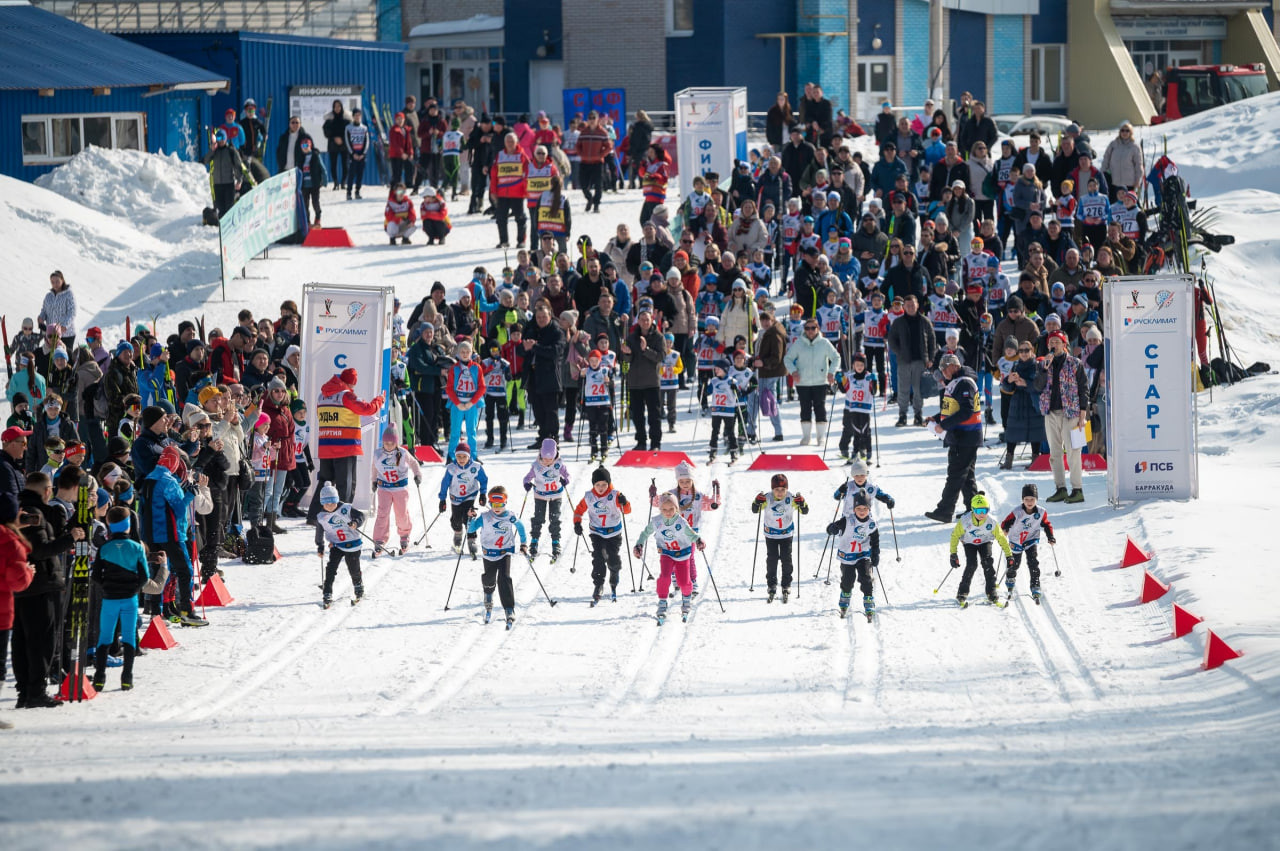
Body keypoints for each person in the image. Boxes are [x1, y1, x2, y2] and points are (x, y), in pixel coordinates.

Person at [306, 367, 384, 525]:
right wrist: (379, 401)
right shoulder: (346, 395)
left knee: (325, 481)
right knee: (346, 485)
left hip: (326, 444)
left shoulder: (322, 396)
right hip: (345, 446)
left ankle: (314, 515)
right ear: (351, 383)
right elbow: (367, 409)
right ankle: (342, 517)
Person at [143, 445, 208, 627]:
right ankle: (187, 610)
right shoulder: (168, 480)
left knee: (160, 570)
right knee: (185, 570)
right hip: (171, 533)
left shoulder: (150, 478)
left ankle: (159, 610)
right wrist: (190, 494)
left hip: (152, 533)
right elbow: (179, 509)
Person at [89, 505, 148, 692]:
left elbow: (96, 575)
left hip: (109, 598)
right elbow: (145, 576)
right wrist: (134, 589)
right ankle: (126, 678)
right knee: (129, 637)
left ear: (109, 524)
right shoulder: (137, 548)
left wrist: (107, 586)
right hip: (130, 598)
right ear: (129, 525)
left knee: (104, 637)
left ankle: (99, 678)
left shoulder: (104, 548)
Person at [1034, 330, 1089, 503]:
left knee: (1073, 451)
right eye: (1051, 342)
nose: (1053, 345)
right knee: (1054, 453)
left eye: (1057, 341)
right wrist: (1044, 368)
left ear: (1064, 344)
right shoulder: (1042, 363)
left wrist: (1083, 414)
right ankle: (1060, 488)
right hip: (1050, 412)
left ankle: (1077, 489)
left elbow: (1083, 389)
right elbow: (1037, 386)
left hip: (1071, 413)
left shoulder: (1075, 363)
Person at [633, 492, 704, 625]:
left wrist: (699, 540)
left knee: (683, 582)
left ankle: (686, 599)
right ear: (660, 509)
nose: (668, 512)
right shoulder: (657, 521)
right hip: (666, 553)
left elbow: (691, 534)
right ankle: (662, 601)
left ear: (676, 508)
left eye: (671, 509)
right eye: (664, 509)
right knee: (664, 577)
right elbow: (645, 533)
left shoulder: (681, 522)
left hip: (682, 554)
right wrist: (639, 544)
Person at [466, 485, 528, 628]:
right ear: (490, 503)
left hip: (504, 552)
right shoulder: (485, 517)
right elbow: (471, 529)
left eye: (500, 504)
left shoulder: (510, 516)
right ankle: (488, 595)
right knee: (489, 578)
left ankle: (509, 608)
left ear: (505, 503)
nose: (497, 507)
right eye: (494, 504)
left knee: (504, 578)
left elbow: (521, 527)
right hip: (489, 553)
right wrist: (470, 518)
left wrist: (523, 543)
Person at [572, 467, 632, 604]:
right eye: (597, 485)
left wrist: (624, 502)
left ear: (609, 483)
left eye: (604, 484)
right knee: (598, 558)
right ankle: (598, 584)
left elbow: (627, 511)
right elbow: (578, 511)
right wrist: (577, 523)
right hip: (596, 532)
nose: (601, 488)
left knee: (612, 558)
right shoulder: (589, 497)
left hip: (613, 533)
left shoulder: (615, 495)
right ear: (593, 484)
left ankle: (614, 572)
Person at [750, 474, 809, 604]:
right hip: (771, 534)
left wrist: (802, 502)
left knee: (786, 559)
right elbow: (755, 510)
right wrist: (757, 501)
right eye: (777, 489)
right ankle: (771, 584)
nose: (780, 492)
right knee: (772, 559)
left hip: (786, 534)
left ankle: (786, 584)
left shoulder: (790, 498)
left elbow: (804, 511)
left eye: (783, 489)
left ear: (787, 489)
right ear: (772, 489)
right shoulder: (767, 498)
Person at [948, 493, 1014, 608]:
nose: (982, 514)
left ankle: (991, 592)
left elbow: (1001, 538)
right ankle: (962, 593)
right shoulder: (965, 521)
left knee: (988, 563)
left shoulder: (991, 522)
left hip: (985, 542)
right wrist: (953, 554)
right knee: (972, 565)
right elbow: (955, 536)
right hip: (969, 543)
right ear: (973, 510)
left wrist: (1009, 555)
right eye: (979, 511)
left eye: (985, 510)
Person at [782, 315, 840, 446]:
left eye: (813, 328)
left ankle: (821, 437)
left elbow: (836, 357)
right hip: (803, 382)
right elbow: (788, 359)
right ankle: (806, 437)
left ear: (818, 328)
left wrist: (831, 372)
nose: (810, 331)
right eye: (807, 328)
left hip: (820, 381)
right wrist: (793, 371)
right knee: (805, 408)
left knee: (820, 408)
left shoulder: (824, 343)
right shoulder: (799, 343)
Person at [825, 490, 879, 619]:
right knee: (848, 580)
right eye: (858, 508)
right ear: (854, 509)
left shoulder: (871, 524)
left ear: (869, 509)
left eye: (865, 508)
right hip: (847, 556)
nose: (861, 511)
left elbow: (875, 541)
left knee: (866, 578)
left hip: (863, 555)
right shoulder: (847, 521)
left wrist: (875, 554)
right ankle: (845, 597)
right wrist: (832, 528)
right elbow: (833, 527)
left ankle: (868, 600)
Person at [885, 295, 937, 427]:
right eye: (907, 305)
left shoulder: (925, 321)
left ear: (917, 305)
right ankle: (902, 415)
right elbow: (892, 339)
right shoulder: (898, 322)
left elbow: (932, 340)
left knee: (918, 390)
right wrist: (899, 352)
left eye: (912, 305)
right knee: (903, 390)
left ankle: (918, 415)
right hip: (904, 361)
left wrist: (931, 358)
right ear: (904, 307)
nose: (910, 307)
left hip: (920, 360)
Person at [370, 425, 421, 557]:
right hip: (384, 488)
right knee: (382, 514)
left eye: (391, 443)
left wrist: (417, 475)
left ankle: (404, 536)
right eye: (386, 443)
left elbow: (414, 463)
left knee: (401, 513)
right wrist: (374, 481)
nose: (388, 445)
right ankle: (380, 539)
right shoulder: (378, 454)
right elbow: (374, 468)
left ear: (396, 442)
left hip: (400, 489)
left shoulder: (402, 453)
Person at [314, 481, 365, 608]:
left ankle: (358, 586)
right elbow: (319, 533)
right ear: (322, 503)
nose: (330, 506)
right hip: (336, 545)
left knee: (353, 568)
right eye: (327, 503)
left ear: (337, 500)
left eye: (332, 502)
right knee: (331, 569)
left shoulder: (345, 509)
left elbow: (361, 515)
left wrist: (355, 522)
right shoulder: (321, 517)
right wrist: (320, 546)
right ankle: (327, 593)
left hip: (352, 544)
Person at [1000, 483, 1055, 602]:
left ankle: (1035, 584)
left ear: (1036, 499)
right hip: (1016, 539)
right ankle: (1010, 577)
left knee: (1033, 562)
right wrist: (1005, 529)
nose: (1029, 502)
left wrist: (1050, 537)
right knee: (1015, 563)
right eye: (1026, 499)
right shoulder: (1017, 512)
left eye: (1032, 499)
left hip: (1031, 539)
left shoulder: (1041, 512)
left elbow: (1046, 524)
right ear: (1022, 500)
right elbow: (1005, 522)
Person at [621, 308, 665, 451]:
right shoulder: (632, 337)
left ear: (651, 320)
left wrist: (646, 350)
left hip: (652, 382)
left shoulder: (658, 337)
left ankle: (655, 443)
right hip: (635, 382)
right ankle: (641, 442)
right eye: (642, 320)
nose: (645, 322)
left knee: (654, 415)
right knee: (637, 416)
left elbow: (660, 357)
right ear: (638, 321)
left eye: (647, 319)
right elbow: (626, 361)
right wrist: (627, 354)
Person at [438, 444, 486, 558]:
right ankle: (458, 535)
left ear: (469, 456)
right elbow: (444, 484)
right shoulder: (451, 468)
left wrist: (483, 494)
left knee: (469, 518)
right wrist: (442, 499)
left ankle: (471, 540)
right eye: (458, 457)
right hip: (456, 498)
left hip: (470, 496)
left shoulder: (476, 467)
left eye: (464, 457)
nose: (461, 459)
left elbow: (484, 480)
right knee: (456, 519)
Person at [444, 340, 485, 461]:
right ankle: (451, 456)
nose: (465, 354)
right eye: (462, 351)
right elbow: (449, 388)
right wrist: (457, 403)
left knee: (471, 431)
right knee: (455, 431)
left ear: (472, 352)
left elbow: (482, 387)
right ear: (458, 353)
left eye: (468, 351)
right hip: (457, 405)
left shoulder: (477, 368)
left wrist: (472, 402)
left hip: (471, 404)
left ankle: (473, 455)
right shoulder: (454, 368)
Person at [835, 353, 878, 463]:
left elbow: (874, 391)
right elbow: (844, 390)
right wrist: (839, 381)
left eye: (861, 365)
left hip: (864, 408)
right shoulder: (849, 377)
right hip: (851, 408)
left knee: (864, 431)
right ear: (853, 365)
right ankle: (846, 449)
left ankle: (864, 451)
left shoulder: (868, 377)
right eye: (857, 365)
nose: (859, 367)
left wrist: (875, 381)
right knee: (851, 429)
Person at [204, 129, 249, 218]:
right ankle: (222, 230)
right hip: (217, 184)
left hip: (228, 184)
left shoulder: (231, 151)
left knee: (229, 209)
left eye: (222, 138)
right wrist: (212, 150)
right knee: (220, 209)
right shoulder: (215, 151)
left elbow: (238, 166)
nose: (220, 141)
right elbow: (205, 160)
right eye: (218, 138)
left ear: (225, 139)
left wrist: (239, 180)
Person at [321, 99, 350, 192]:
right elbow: (326, 131)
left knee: (345, 164)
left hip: (344, 145)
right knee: (333, 164)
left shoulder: (347, 119)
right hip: (333, 145)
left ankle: (343, 183)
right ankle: (336, 183)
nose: (337, 108)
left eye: (339, 106)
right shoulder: (329, 119)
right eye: (335, 106)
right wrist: (334, 137)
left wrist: (342, 139)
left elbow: (349, 132)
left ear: (341, 107)